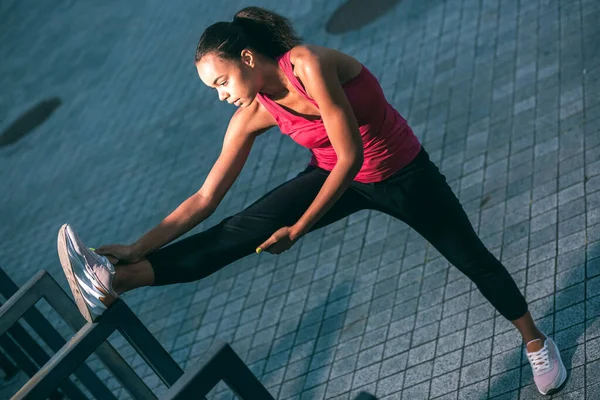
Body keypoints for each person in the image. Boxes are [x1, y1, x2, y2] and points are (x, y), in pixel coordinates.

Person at [56, 6, 566, 395]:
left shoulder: (308, 64)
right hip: (331, 177)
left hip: (401, 173)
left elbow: (351, 155)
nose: (220, 96)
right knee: (235, 233)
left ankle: (536, 343)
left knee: (469, 256)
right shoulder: (254, 113)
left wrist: (297, 231)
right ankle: (113, 279)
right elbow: (205, 198)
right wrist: (136, 244)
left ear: (247, 59)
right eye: (211, 88)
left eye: (221, 81)